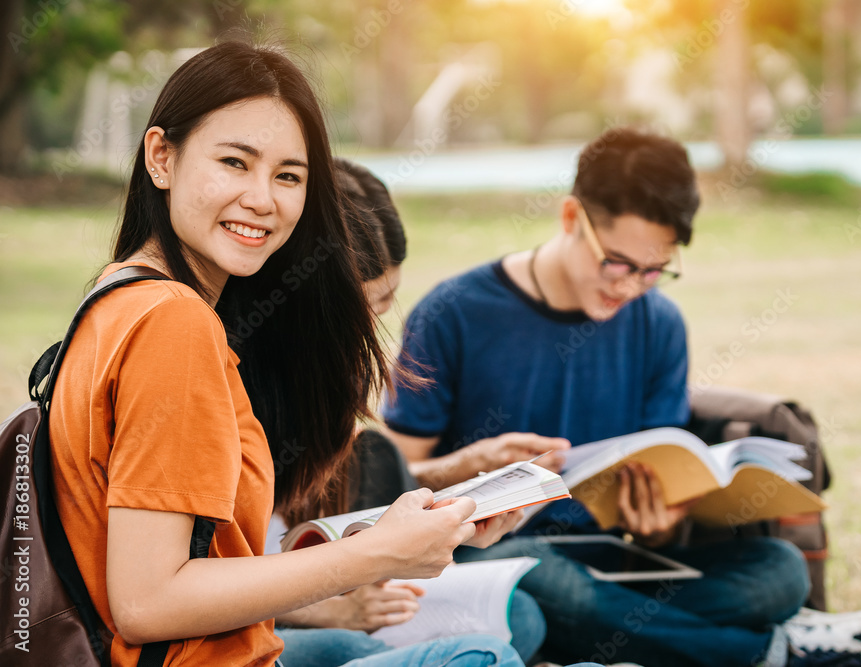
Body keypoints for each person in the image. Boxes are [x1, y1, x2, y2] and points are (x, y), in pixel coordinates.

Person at [47, 40, 529, 667]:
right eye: (234, 162)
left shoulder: (120, 291)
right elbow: (147, 602)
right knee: (484, 654)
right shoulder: (172, 322)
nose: (262, 199)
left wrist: (416, 528)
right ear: (161, 157)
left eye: (288, 176)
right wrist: (377, 556)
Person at [381, 128, 861, 667]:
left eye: (654, 270)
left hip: (621, 565)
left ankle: (625, 638)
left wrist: (664, 521)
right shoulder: (452, 313)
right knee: (533, 581)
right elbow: (391, 476)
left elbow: (664, 473)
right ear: (571, 218)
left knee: (778, 571)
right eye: (617, 263)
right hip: (495, 556)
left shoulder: (659, 322)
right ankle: (770, 652)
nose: (630, 286)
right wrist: (467, 465)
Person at [265, 158, 548, 666]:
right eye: (357, 312)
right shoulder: (230, 377)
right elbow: (195, 583)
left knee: (520, 617)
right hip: (266, 612)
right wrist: (328, 607)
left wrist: (456, 494)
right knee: (362, 646)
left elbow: (320, 509)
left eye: (386, 303)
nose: (369, 334)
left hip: (325, 574)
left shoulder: (326, 381)